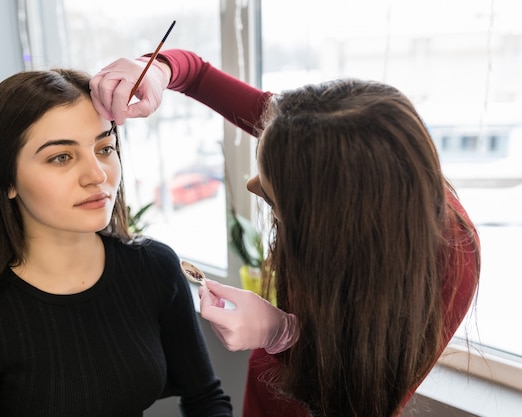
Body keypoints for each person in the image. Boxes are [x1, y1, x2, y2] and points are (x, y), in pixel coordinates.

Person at [89, 49, 481, 417]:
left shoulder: (451, 266)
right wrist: (158, 69)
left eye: (276, 201)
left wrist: (284, 334)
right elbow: (196, 74)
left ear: (334, 223)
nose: (253, 185)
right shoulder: (317, 134)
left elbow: (362, 396)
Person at [0, 68, 233, 417]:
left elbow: (207, 399)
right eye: (61, 157)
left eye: (104, 147)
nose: (97, 175)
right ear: (5, 179)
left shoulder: (154, 268)